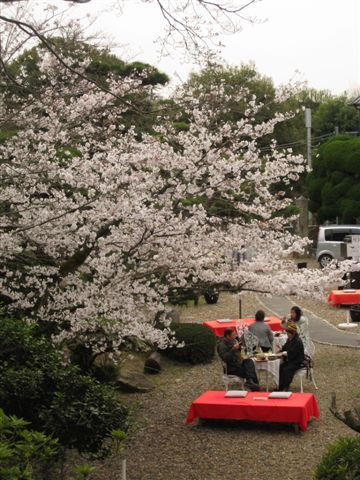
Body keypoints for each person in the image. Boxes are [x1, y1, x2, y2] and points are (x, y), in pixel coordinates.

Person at [278, 322, 305, 391]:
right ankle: (281, 386)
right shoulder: (290, 339)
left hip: (297, 361)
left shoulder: (297, 341)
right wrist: (281, 349)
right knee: (281, 367)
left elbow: (292, 352)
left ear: (293, 333)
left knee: (287, 369)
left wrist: (284, 353)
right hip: (291, 360)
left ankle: (286, 387)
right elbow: (286, 347)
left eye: (288, 333)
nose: (287, 335)